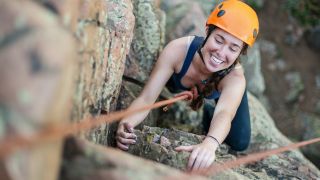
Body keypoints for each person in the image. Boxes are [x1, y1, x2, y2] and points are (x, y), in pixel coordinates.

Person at [116, 0, 259, 171]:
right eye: (219, 40)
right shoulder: (178, 51)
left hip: (221, 91)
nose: (221, 53)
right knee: (168, 85)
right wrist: (126, 122)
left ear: (240, 53)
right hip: (178, 83)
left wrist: (210, 144)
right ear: (207, 32)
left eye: (233, 48)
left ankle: (208, 111)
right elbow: (147, 97)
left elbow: (224, 113)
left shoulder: (234, 77)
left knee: (240, 141)